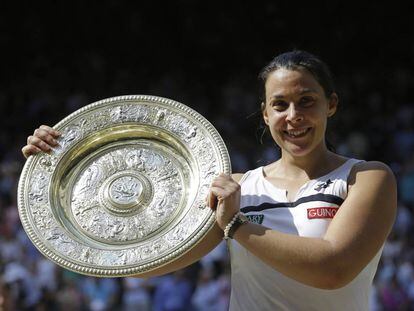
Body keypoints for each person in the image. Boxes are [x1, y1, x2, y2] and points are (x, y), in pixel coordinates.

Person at [22, 50, 397, 310]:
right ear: (265, 115)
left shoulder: (366, 178)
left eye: (307, 100)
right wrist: (56, 169)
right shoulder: (238, 188)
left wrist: (235, 225)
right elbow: (147, 259)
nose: (293, 115)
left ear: (331, 104)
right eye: (280, 104)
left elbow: (333, 270)